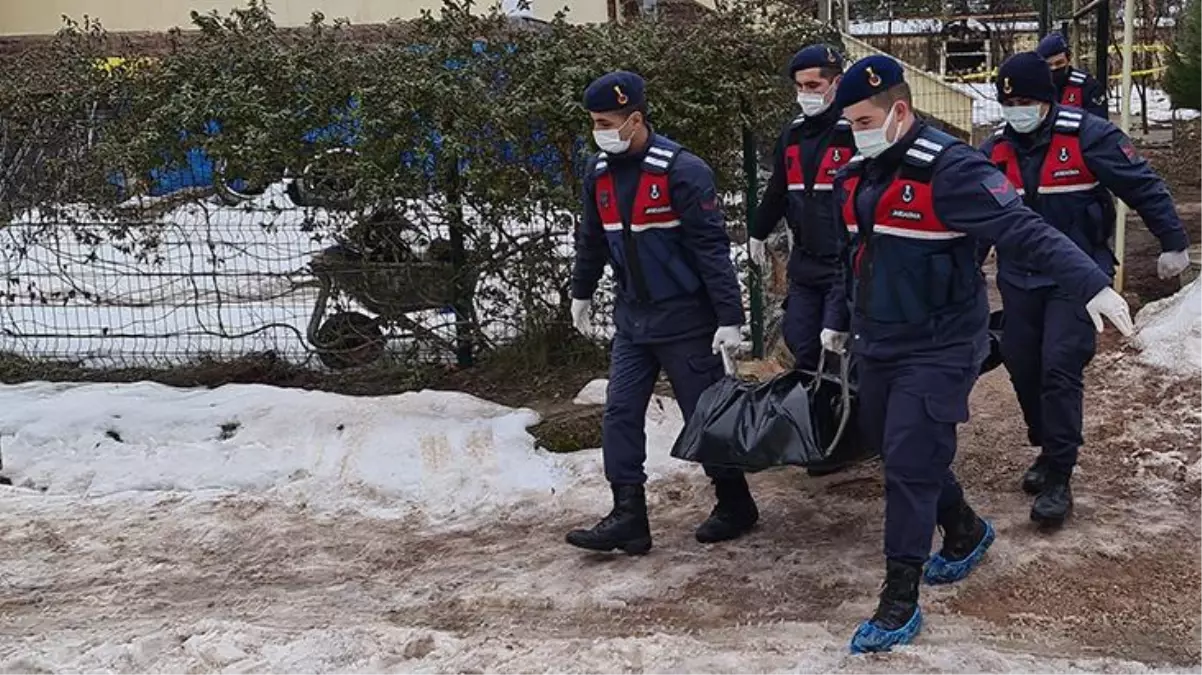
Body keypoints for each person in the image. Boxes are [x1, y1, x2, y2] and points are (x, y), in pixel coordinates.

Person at [826, 55, 1135, 653]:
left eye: (864, 119)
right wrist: (838, 323)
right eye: (849, 123)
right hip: (880, 339)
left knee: (912, 462)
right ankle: (964, 531)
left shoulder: (953, 170)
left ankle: (899, 598)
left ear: (899, 111)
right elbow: (856, 260)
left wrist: (1090, 283)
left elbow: (1027, 230)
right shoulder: (861, 173)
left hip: (940, 344)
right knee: (897, 450)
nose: (854, 132)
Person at [980, 52, 1191, 527]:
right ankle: (1046, 442)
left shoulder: (1088, 136)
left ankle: (1059, 472)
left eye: (1028, 100)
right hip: (1018, 277)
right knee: (1020, 361)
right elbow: (975, 215)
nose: (1018, 108)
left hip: (1077, 279)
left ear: (1048, 100)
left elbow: (1143, 185)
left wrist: (1173, 241)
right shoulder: (994, 151)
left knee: (1059, 364)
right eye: (1009, 100)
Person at [566, 71, 758, 555]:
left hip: (686, 321)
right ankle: (628, 515)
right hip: (634, 321)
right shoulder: (599, 172)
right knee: (620, 414)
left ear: (635, 119)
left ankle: (735, 502)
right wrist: (581, 291)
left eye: (606, 121)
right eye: (593, 122)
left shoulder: (682, 171)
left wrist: (728, 317)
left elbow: (712, 251)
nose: (599, 130)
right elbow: (592, 237)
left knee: (705, 416)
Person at [749, 44, 855, 375]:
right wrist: (757, 232)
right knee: (800, 341)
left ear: (836, 84)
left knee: (839, 346)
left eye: (813, 86)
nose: (804, 94)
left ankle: (853, 418)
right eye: (799, 87)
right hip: (806, 260)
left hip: (844, 260)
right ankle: (818, 417)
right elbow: (779, 189)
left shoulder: (855, 130)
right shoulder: (793, 134)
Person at [1036, 32, 1108, 119]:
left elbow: (1099, 125)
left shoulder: (1088, 86)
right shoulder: (1036, 87)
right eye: (1049, 65)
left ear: (1068, 59)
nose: (1054, 68)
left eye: (1059, 63)